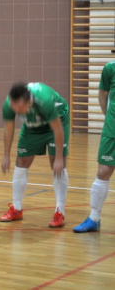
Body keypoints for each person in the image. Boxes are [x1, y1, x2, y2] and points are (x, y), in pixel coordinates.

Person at [0, 82, 69, 228]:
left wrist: (58, 158)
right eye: (14, 107)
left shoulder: (44, 101)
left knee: (56, 166)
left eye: (19, 108)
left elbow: (57, 129)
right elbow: (9, 128)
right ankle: (17, 209)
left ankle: (60, 211)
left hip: (55, 123)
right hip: (32, 126)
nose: (15, 111)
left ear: (29, 102)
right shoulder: (10, 103)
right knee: (21, 161)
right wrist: (6, 155)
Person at [74, 61, 115, 232]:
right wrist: (109, 119)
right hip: (112, 129)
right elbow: (102, 95)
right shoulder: (110, 68)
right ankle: (94, 218)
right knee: (103, 172)